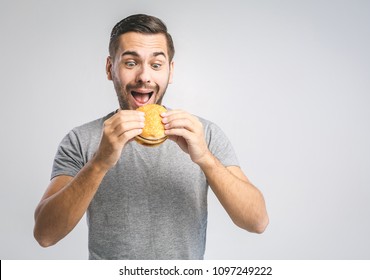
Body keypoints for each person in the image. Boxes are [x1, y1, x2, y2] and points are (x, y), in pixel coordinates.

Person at [33, 14, 269, 260]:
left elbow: (258, 221)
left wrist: (205, 159)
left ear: (170, 71)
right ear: (109, 68)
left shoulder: (203, 134)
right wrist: (99, 162)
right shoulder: (82, 139)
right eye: (131, 63)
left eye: (156, 65)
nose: (144, 76)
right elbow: (45, 235)